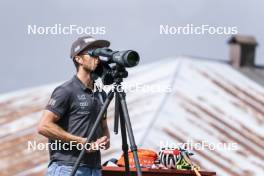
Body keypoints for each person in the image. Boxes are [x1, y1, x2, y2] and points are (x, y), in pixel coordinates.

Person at [38, 36, 111, 176]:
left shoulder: (101, 93)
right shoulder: (66, 91)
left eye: (99, 52)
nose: (98, 56)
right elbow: (43, 126)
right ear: (78, 59)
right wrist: (80, 142)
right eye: (92, 52)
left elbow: (103, 127)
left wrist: (104, 139)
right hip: (67, 168)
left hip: (94, 169)